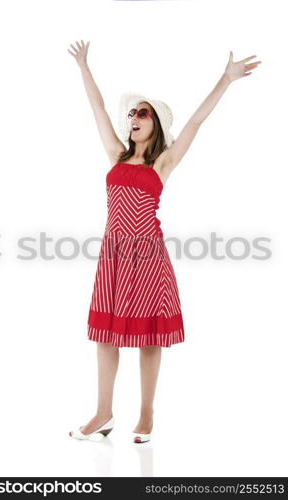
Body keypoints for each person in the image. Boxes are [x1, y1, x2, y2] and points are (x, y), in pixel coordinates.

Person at [67, 40, 261, 443]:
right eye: (133, 113)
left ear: (155, 124)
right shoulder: (116, 155)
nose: (134, 117)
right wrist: (85, 67)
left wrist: (225, 80)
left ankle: (146, 414)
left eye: (143, 113)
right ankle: (103, 414)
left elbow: (194, 124)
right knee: (105, 333)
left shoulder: (163, 163)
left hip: (147, 258)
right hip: (114, 257)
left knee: (147, 336)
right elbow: (98, 110)